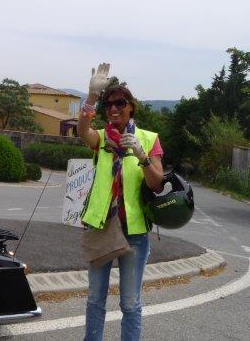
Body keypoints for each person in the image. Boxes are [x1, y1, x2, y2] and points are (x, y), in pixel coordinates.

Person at [78, 63, 164, 341]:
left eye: (120, 103)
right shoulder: (102, 138)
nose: (113, 109)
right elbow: (82, 130)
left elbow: (157, 183)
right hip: (101, 226)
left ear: (131, 107)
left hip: (135, 232)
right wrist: (92, 96)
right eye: (109, 104)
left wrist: (142, 157)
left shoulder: (149, 139)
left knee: (130, 302)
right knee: (95, 299)